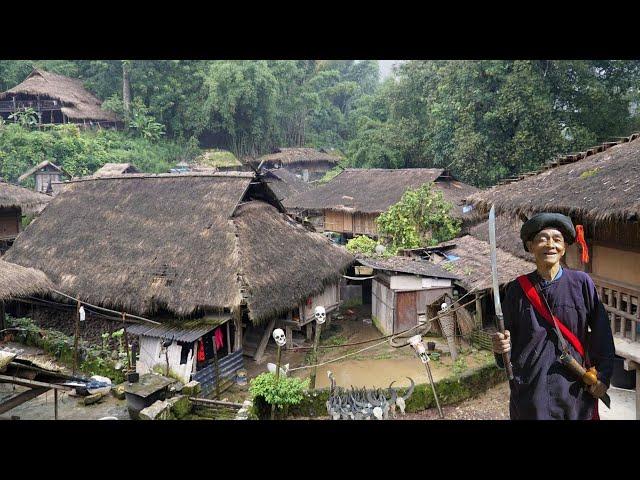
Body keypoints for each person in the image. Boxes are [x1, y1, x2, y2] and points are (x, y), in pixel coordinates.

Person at [492, 212, 615, 420]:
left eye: (557, 239)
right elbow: (505, 341)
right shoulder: (516, 290)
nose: (550, 245)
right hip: (531, 390)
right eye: (542, 239)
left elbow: (602, 334)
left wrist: (602, 375)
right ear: (530, 246)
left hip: (575, 388)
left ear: (564, 247)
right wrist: (499, 348)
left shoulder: (581, 283)